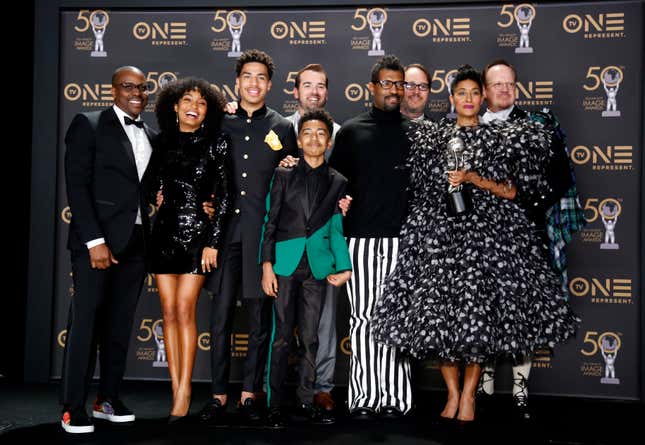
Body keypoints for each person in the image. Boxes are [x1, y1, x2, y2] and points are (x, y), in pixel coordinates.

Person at [371, 65, 579, 424]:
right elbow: (420, 189)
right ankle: (451, 394)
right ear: (451, 99)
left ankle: (469, 396)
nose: (468, 99)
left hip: (489, 238)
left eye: (473, 93)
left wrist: (473, 179)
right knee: (441, 319)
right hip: (439, 237)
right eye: (461, 93)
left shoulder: (501, 137)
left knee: (477, 321)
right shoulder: (433, 138)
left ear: (482, 97)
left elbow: (513, 191)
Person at [478, 59, 586, 420]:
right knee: (486, 309)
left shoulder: (539, 125)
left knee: (524, 312)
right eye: (497, 85)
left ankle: (522, 390)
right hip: (482, 236)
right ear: (484, 91)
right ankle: (486, 384)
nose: (505, 90)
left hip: (528, 231)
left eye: (510, 84)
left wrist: (527, 200)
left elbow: (560, 175)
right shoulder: (470, 126)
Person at [198, 49, 298, 425]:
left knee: (259, 322)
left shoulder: (283, 128)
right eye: (247, 77)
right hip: (223, 237)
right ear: (237, 82)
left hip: (261, 240)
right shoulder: (219, 123)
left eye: (261, 78)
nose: (254, 83)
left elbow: (292, 181)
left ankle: (249, 395)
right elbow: (202, 171)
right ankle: (219, 395)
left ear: (269, 85)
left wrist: (291, 164)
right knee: (220, 319)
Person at [60, 66, 157, 433]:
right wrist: (94, 241)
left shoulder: (150, 133)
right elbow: (77, 184)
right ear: (113, 89)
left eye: (142, 87)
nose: (136, 92)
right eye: (128, 86)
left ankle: (108, 398)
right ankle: (73, 406)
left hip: (135, 243)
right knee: (85, 324)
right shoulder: (89, 124)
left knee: (119, 326)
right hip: (96, 244)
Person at [329, 54, 413, 419]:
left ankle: (396, 397)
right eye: (387, 83)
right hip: (359, 239)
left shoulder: (415, 132)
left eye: (400, 84)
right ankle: (364, 396)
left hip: (403, 241)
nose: (394, 90)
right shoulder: (351, 131)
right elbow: (332, 188)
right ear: (372, 88)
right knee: (362, 318)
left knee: (397, 318)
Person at [147, 77, 232, 422]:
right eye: (187, 100)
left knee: (185, 307)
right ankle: (175, 387)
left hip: (198, 235)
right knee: (167, 311)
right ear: (174, 105)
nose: (193, 107)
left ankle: (185, 390)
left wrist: (213, 241)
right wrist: (156, 194)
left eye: (201, 102)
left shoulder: (217, 142)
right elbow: (150, 183)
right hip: (164, 233)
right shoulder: (162, 142)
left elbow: (225, 196)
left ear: (207, 110)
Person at [261, 110, 352, 428]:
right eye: (308, 133)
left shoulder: (338, 181)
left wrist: (345, 267)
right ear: (298, 140)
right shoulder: (284, 174)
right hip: (285, 265)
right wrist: (267, 266)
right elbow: (269, 222)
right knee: (281, 337)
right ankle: (274, 403)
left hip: (317, 267)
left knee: (311, 337)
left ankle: (305, 399)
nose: (314, 138)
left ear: (329, 141)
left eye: (321, 134)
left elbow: (337, 229)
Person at [284, 64, 342, 413]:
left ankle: (321, 385)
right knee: (279, 318)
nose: (314, 92)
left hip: (322, 242)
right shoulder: (277, 128)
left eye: (321, 86)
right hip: (286, 242)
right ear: (296, 91)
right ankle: (270, 385)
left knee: (323, 318)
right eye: (307, 85)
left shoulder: (341, 134)